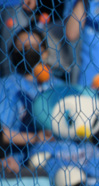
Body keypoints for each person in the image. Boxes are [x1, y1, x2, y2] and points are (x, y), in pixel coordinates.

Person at [0, 27, 56, 173]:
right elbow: (3, 133)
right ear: (13, 54)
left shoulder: (58, 86)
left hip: (60, 153)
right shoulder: (7, 86)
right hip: (20, 161)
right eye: (22, 48)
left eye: (34, 47)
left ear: (45, 53)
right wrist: (35, 138)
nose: (28, 51)